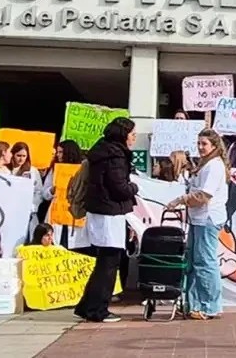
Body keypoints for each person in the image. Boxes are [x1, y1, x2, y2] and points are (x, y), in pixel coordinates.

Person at [73, 117, 140, 323]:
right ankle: (97, 309)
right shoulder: (115, 156)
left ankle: (87, 305)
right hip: (109, 213)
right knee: (109, 263)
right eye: (132, 134)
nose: (134, 137)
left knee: (104, 262)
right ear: (123, 135)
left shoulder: (102, 151)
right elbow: (119, 187)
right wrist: (134, 188)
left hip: (100, 212)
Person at [167, 128, 229, 320]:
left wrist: (180, 200)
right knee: (193, 262)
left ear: (214, 146)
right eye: (199, 143)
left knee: (205, 262)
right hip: (197, 218)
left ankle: (210, 305)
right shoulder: (204, 164)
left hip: (207, 218)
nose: (201, 147)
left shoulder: (214, 166)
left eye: (204, 144)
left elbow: (203, 196)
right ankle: (192, 303)